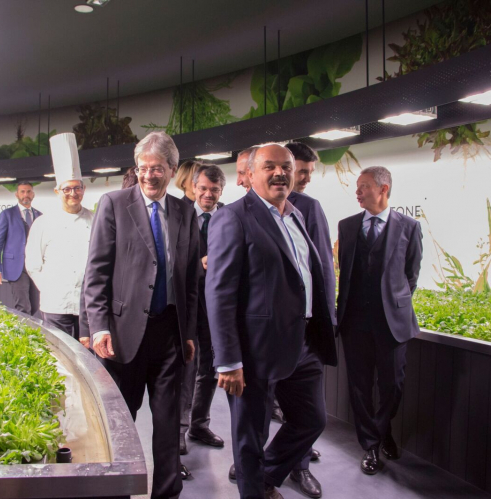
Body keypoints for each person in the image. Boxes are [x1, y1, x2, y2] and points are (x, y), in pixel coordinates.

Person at [206, 143, 337, 499]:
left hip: (303, 343)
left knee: (312, 419)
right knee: (251, 435)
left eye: (286, 167)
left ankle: (264, 479)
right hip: (254, 349)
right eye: (269, 166)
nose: (279, 173)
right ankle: (254, 492)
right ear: (250, 175)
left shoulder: (296, 215)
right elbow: (219, 293)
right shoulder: (232, 217)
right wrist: (229, 360)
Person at [82, 131, 200, 499]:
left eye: (158, 169)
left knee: (167, 425)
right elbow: (96, 272)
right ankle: (116, 489)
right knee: (121, 422)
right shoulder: (114, 205)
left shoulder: (185, 211)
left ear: (173, 169)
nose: (149, 176)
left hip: (170, 334)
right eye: (143, 168)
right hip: (122, 334)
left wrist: (191, 332)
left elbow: (191, 280)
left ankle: (167, 492)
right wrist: (98, 327)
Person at [337, 166, 423, 476]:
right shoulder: (346, 227)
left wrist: (393, 302)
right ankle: (371, 445)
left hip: (393, 322)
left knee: (393, 384)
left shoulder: (409, 227)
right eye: (357, 187)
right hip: (354, 322)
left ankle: (382, 428)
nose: (357, 192)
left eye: (364, 187)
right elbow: (344, 272)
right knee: (359, 387)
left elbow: (411, 275)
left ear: (383, 189)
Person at [278, 141, 335, 498]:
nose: (304, 179)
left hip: (302, 330)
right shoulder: (249, 210)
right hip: (264, 333)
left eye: (308, 173)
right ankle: (260, 462)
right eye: (301, 171)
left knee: (306, 409)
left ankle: (297, 467)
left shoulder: (309, 209)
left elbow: (323, 268)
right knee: (255, 410)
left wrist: (324, 321)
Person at [26, 133, 94, 339]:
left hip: (88, 304)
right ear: (57, 191)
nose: (73, 193)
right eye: (67, 188)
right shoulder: (43, 223)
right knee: (60, 355)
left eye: (77, 188)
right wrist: (50, 288)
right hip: (55, 303)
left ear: (84, 189)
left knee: (88, 358)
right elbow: (33, 265)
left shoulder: (95, 220)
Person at [180, 164, 226, 458]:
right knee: (186, 368)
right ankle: (179, 429)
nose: (208, 194)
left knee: (209, 367)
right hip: (185, 304)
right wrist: (199, 266)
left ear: (222, 191)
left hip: (216, 305)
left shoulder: (228, 217)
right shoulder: (179, 215)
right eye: (204, 189)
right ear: (193, 188)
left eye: (215, 190)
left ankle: (199, 424)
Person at [0, 181, 41, 315]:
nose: (26, 194)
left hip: (36, 266)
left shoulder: (39, 215)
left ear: (33, 194)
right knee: (23, 306)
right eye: (22, 191)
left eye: (29, 191)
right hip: (16, 267)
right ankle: (25, 334)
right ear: (17, 194)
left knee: (36, 305)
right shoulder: (7, 214)